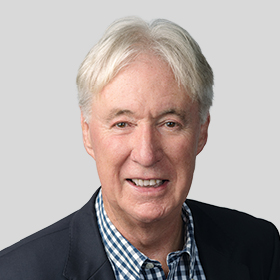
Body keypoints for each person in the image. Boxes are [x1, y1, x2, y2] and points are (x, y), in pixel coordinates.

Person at [0, 16, 279, 280]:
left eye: (169, 123)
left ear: (202, 131)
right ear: (87, 132)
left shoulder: (260, 249)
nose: (146, 154)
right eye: (123, 124)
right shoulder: (15, 273)